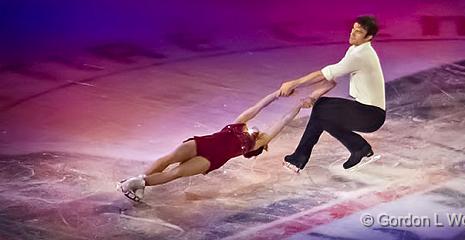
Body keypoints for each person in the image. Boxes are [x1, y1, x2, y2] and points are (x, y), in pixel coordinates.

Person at [117, 89, 319, 202]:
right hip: (201, 143)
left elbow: (282, 122)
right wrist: (277, 94)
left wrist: (298, 108)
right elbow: (259, 106)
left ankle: (138, 183)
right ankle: (140, 182)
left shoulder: (256, 143)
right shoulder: (240, 123)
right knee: (169, 158)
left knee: (175, 173)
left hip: (210, 160)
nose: (259, 130)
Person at [279, 15, 386, 173]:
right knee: (322, 109)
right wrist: (313, 97)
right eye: (353, 29)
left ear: (368, 37)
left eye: (359, 32)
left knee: (322, 113)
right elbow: (332, 78)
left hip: (370, 115)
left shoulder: (360, 55)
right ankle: (358, 148)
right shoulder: (355, 49)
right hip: (366, 110)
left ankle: (299, 158)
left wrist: (294, 83)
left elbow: (323, 75)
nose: (352, 33)